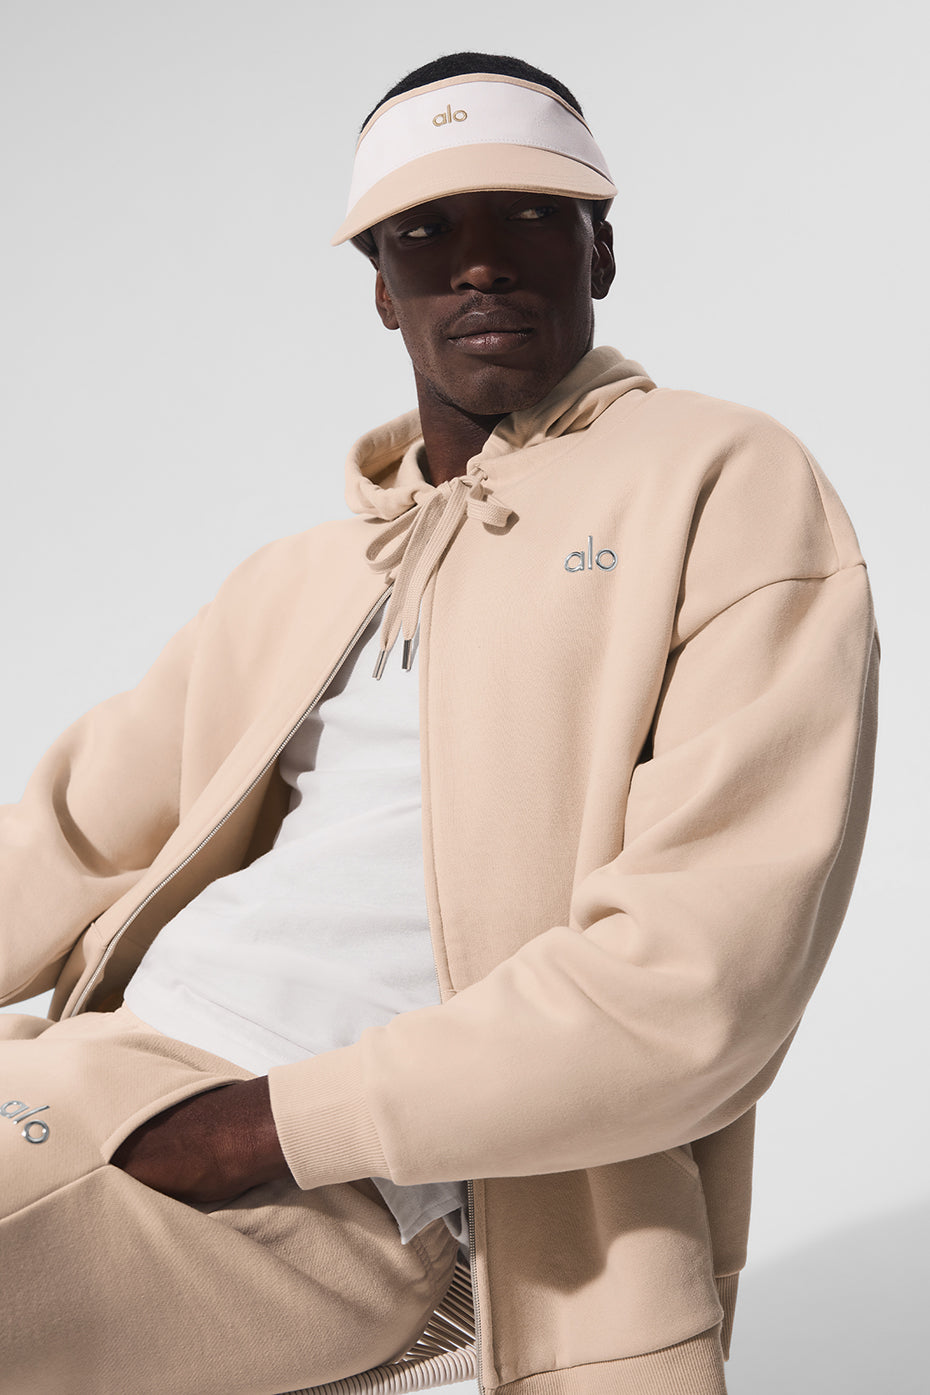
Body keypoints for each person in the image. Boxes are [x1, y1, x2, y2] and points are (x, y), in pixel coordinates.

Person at [0, 50, 878, 1395]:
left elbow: (701, 981)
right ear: (380, 285)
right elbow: (66, 837)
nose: (478, 261)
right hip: (105, 1073)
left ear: (600, 249)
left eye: (527, 214)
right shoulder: (302, 576)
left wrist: (257, 1129)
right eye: (425, 230)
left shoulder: (721, 483)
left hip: (345, 1176)